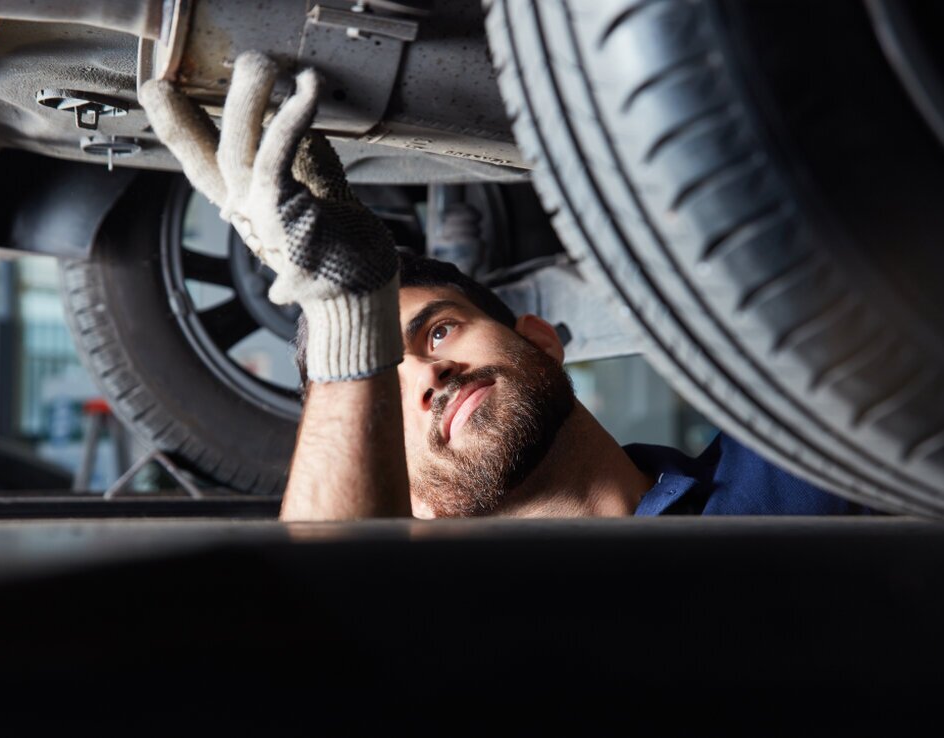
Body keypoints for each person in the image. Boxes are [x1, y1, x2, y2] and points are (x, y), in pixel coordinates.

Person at [140, 53, 873, 521]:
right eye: (388, 390)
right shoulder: (467, 639)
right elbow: (327, 635)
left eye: (438, 330)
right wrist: (342, 316)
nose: (427, 376)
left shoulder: (792, 466)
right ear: (408, 503)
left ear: (540, 338)